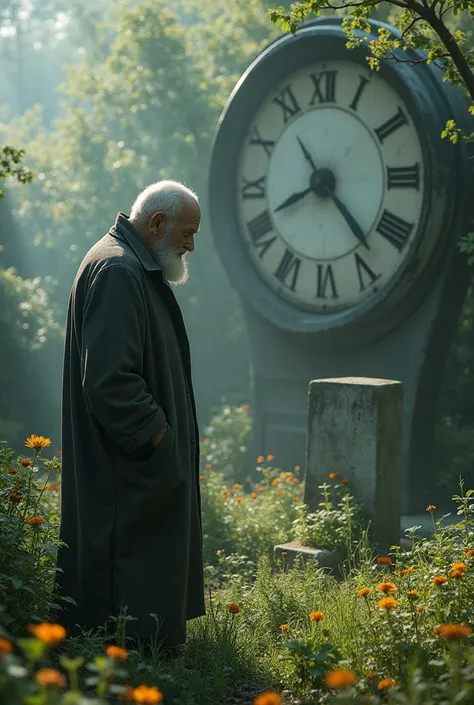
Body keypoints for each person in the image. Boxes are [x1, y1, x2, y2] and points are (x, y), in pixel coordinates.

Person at [56, 180, 205, 653]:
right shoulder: (119, 270)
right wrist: (159, 437)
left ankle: (139, 659)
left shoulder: (129, 265)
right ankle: (130, 667)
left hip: (136, 469)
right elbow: (109, 381)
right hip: (127, 471)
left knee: (140, 586)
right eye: (187, 231)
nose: (191, 244)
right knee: (125, 603)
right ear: (158, 222)